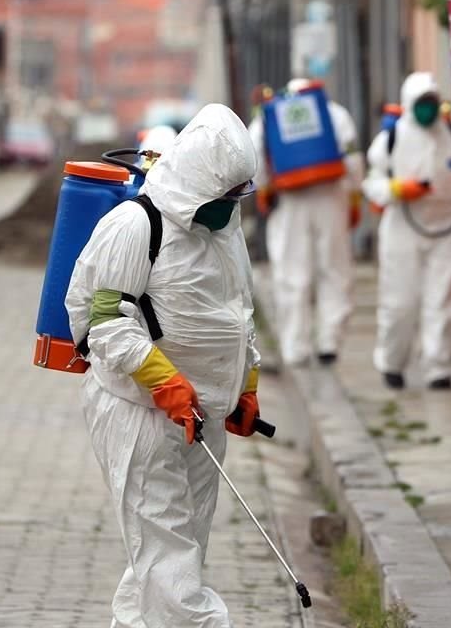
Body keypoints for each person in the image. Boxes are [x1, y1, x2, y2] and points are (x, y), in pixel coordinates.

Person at [66, 103, 262, 628]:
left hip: (202, 417)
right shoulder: (135, 225)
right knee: (168, 560)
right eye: (225, 195)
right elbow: (104, 321)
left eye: (240, 193)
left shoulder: (225, 232)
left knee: (174, 555)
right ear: (196, 181)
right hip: (138, 415)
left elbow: (239, 314)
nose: (232, 204)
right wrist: (164, 381)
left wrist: (247, 385)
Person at [250, 78, 364, 367]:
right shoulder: (335, 113)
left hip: (289, 203)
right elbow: (353, 161)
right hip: (331, 196)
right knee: (334, 271)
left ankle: (294, 348)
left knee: (291, 275)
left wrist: (265, 190)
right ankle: (329, 343)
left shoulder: (268, 117)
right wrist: (353, 196)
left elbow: (254, 164)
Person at [362, 72, 451, 390]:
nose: (427, 110)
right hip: (403, 227)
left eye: (431, 103)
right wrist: (397, 189)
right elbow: (372, 184)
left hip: (445, 229)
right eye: (421, 104)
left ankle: (438, 368)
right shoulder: (391, 139)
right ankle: (392, 363)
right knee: (399, 302)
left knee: (442, 304)